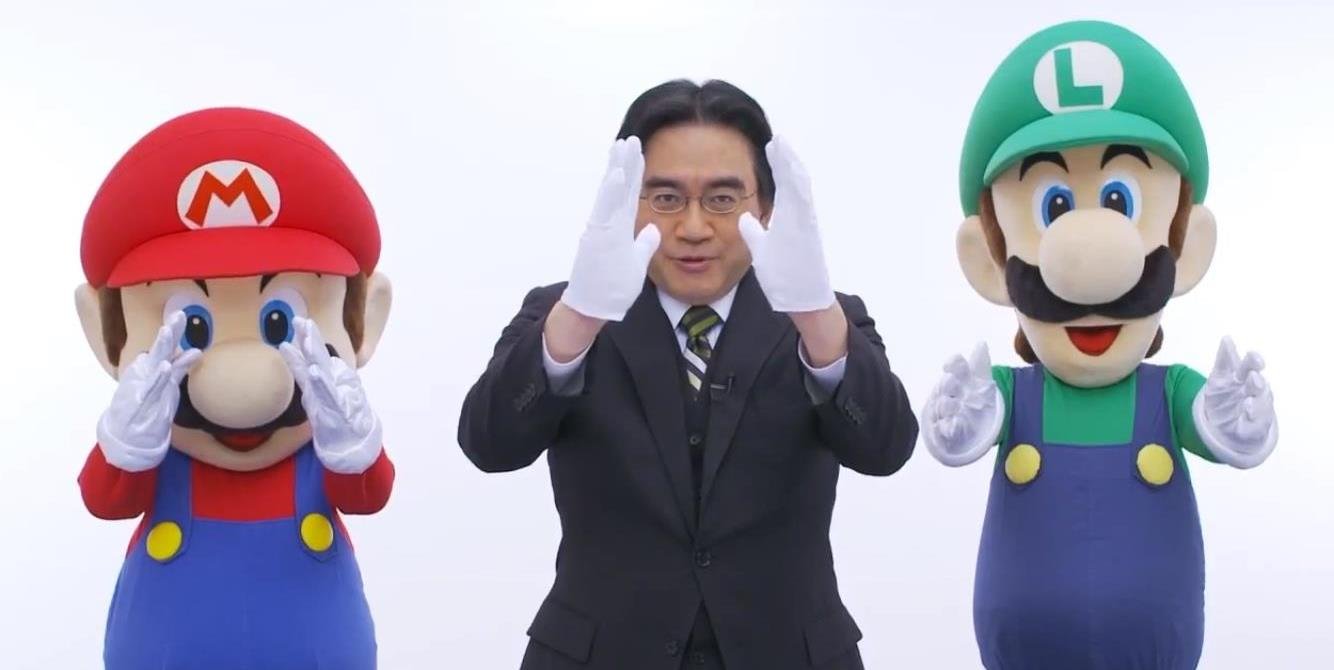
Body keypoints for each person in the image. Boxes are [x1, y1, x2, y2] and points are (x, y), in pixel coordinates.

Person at [458, 79, 918, 670]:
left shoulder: (827, 318)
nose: (694, 227)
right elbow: (489, 445)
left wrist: (815, 316)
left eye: (723, 199)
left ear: (766, 208)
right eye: (666, 198)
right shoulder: (564, 312)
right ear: (626, 202)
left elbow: (886, 449)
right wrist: (578, 319)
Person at [922, 21, 1279, 669]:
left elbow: (1228, 438)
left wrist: (1237, 418)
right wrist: (958, 418)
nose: (1087, 260)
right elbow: (961, 437)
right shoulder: (1010, 392)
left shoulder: (1170, 392)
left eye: (1121, 199)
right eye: (1052, 206)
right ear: (989, 261)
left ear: (1186, 247)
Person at [75, 107, 395, 669]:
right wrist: (123, 449)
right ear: (104, 338)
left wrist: (354, 448)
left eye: (279, 321)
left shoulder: (325, 441)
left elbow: (368, 496)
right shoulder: (155, 445)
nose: (240, 381)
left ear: (366, 319)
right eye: (192, 327)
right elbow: (105, 502)